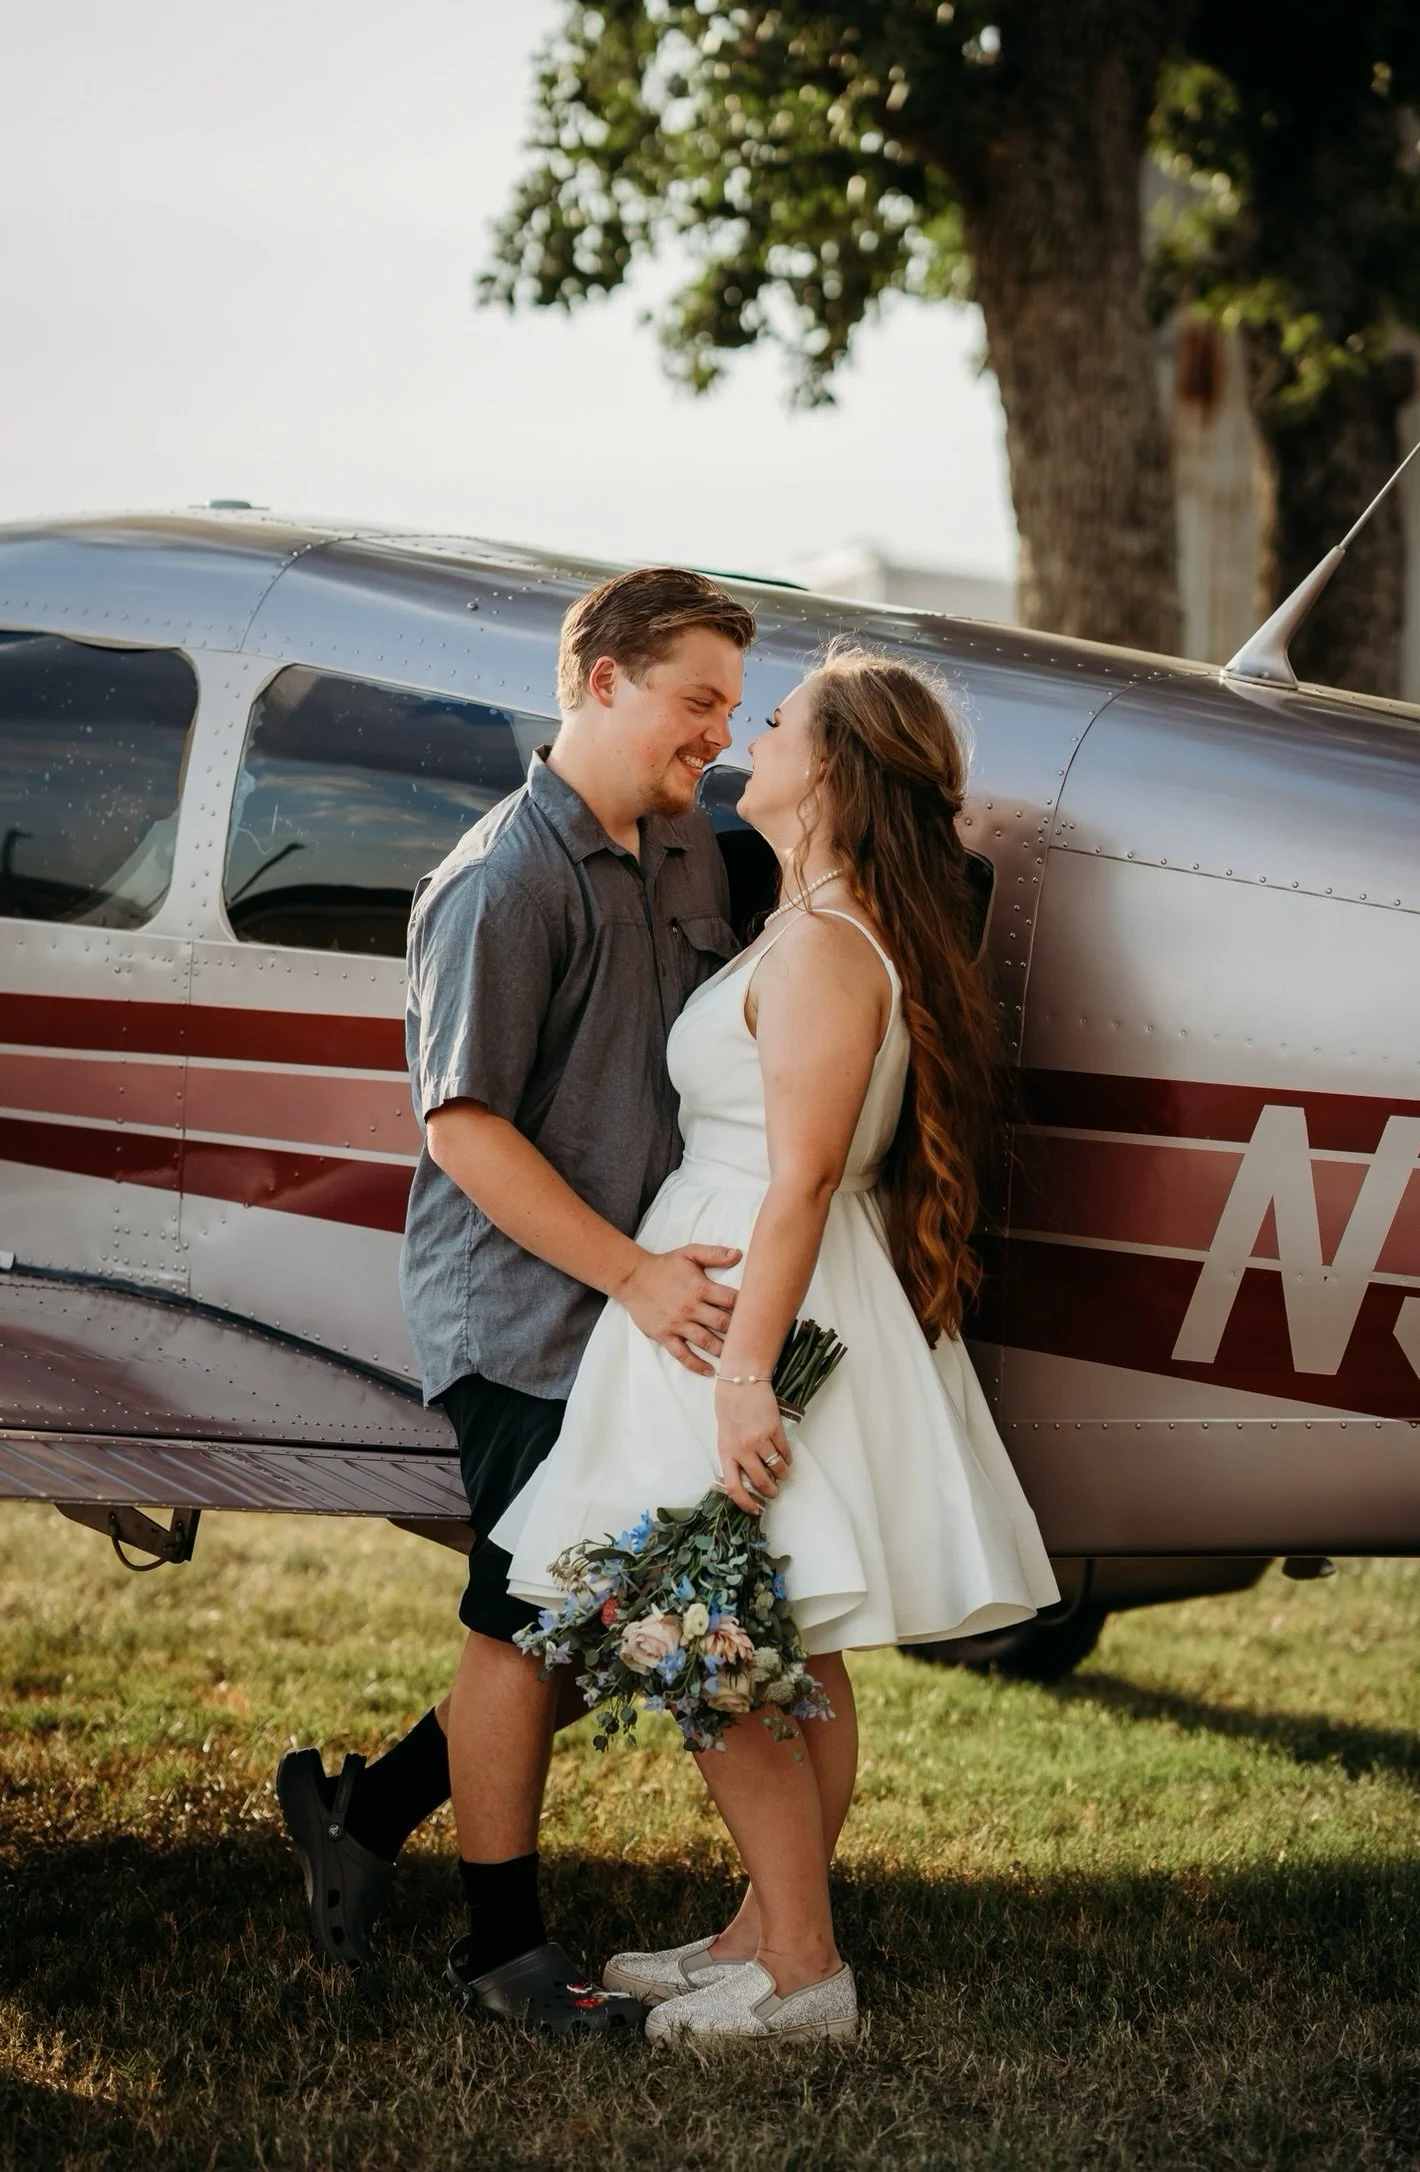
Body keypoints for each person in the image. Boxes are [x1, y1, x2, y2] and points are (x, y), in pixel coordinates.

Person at [495, 644, 1060, 2044]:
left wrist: (745, 1376)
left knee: (705, 1632)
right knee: (783, 1635)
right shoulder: (812, 922)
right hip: (754, 1291)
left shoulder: (820, 943)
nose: (758, 728)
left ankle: (804, 1971)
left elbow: (801, 1176)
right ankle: (762, 1929)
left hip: (755, 1314)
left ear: (841, 773)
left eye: (789, 719)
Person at [276, 566, 757, 2036]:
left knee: (561, 1626)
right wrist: (631, 1275)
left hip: (638, 1305)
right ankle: (499, 1950)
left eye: (732, 711)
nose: (717, 740)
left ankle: (361, 1819)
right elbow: (464, 1128)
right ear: (599, 680)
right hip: (528, 1316)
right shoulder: (500, 878)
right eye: (696, 702)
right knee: (524, 1620)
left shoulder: (687, 851)